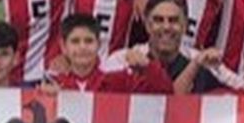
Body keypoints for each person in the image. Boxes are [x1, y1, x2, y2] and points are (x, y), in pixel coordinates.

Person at [44, 14, 173, 93]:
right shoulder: (54, 82)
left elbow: (165, 91)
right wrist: (49, 99)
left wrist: (147, 67)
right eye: (75, 41)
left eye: (88, 41)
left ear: (99, 44)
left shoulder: (118, 79)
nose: (82, 47)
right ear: (63, 47)